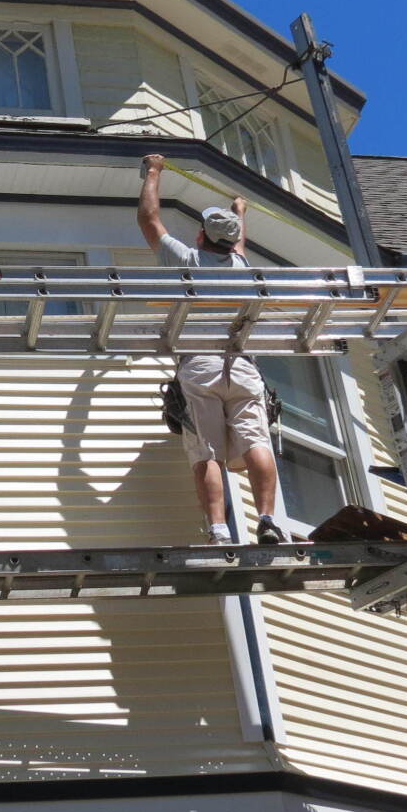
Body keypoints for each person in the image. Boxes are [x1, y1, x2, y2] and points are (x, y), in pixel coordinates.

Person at [136, 153, 291, 546]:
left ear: (201, 235)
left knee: (207, 451)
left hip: (200, 365)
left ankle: (220, 530)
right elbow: (238, 245)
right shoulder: (242, 268)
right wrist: (239, 213)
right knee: (256, 441)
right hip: (241, 365)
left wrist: (153, 172)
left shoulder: (187, 260)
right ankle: (268, 520)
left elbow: (149, 220)